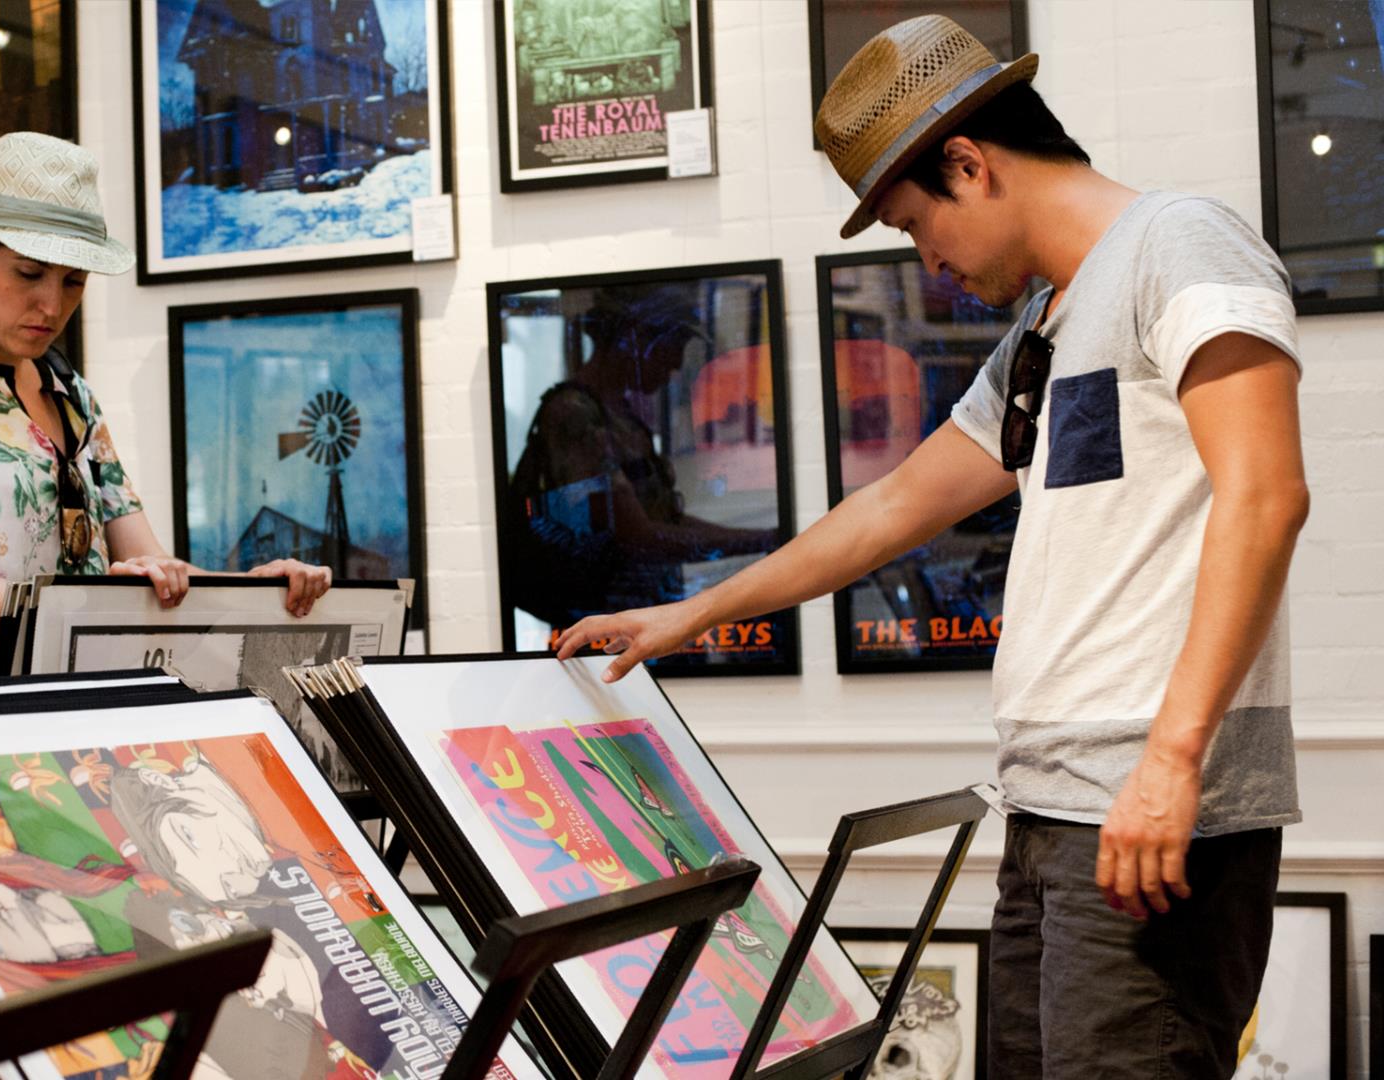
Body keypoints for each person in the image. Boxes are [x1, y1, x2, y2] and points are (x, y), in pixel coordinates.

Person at [558, 16, 1307, 1079]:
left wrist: (1173, 763)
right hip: (1050, 808)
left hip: (1150, 809)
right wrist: (689, 612)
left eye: (918, 226)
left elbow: (1267, 494)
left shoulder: (1180, 241)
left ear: (969, 163)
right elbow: (887, 511)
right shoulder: (1046, 326)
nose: (930, 262)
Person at [0, 132, 330, 682]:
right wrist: (95, 616)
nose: (51, 305)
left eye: (73, 282)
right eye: (28, 274)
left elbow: (155, 569)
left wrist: (256, 592)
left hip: (79, 724)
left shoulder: (73, 398)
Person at [504, 284, 775, 631]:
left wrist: (762, 540)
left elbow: (668, 522)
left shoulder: (620, 416)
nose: (677, 363)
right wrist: (756, 542)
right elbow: (637, 537)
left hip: (642, 619)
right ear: (633, 337)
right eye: (672, 345)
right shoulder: (574, 415)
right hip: (608, 631)